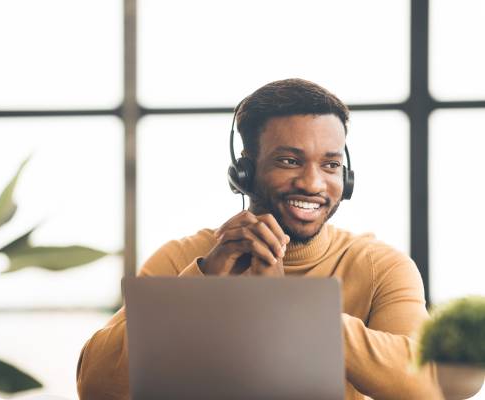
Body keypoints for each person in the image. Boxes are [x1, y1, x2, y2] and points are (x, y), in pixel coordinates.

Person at [76, 78, 442, 399]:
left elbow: (427, 387)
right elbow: (95, 385)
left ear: (346, 178)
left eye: (330, 165)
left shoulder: (380, 267)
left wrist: (289, 305)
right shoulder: (183, 260)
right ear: (244, 171)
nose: (313, 184)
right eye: (289, 161)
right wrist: (202, 286)